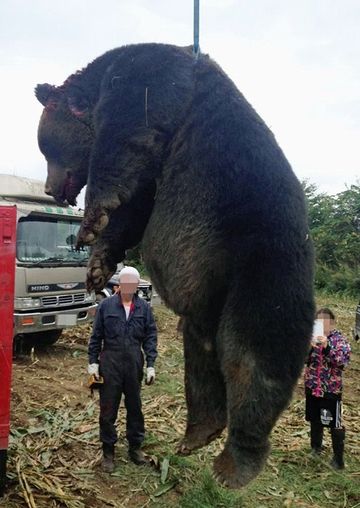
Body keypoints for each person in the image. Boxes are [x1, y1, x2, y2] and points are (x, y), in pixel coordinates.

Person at [88, 266, 158, 472]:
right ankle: (108, 451)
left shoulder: (144, 308)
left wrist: (151, 365)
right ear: (120, 284)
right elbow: (96, 336)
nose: (129, 287)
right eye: (125, 283)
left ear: (136, 286)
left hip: (134, 362)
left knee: (135, 407)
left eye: (132, 284)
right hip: (110, 361)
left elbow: (150, 336)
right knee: (108, 408)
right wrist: (93, 364)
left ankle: (135, 448)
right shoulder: (106, 306)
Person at [304, 308, 351, 469]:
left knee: (333, 422)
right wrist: (310, 348)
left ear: (332, 323)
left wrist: (327, 347)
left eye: (325, 322)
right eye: (318, 322)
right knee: (315, 419)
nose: (322, 325)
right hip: (312, 387)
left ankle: (338, 459)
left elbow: (342, 361)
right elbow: (302, 360)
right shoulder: (310, 339)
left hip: (330, 390)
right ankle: (316, 448)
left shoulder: (339, 341)